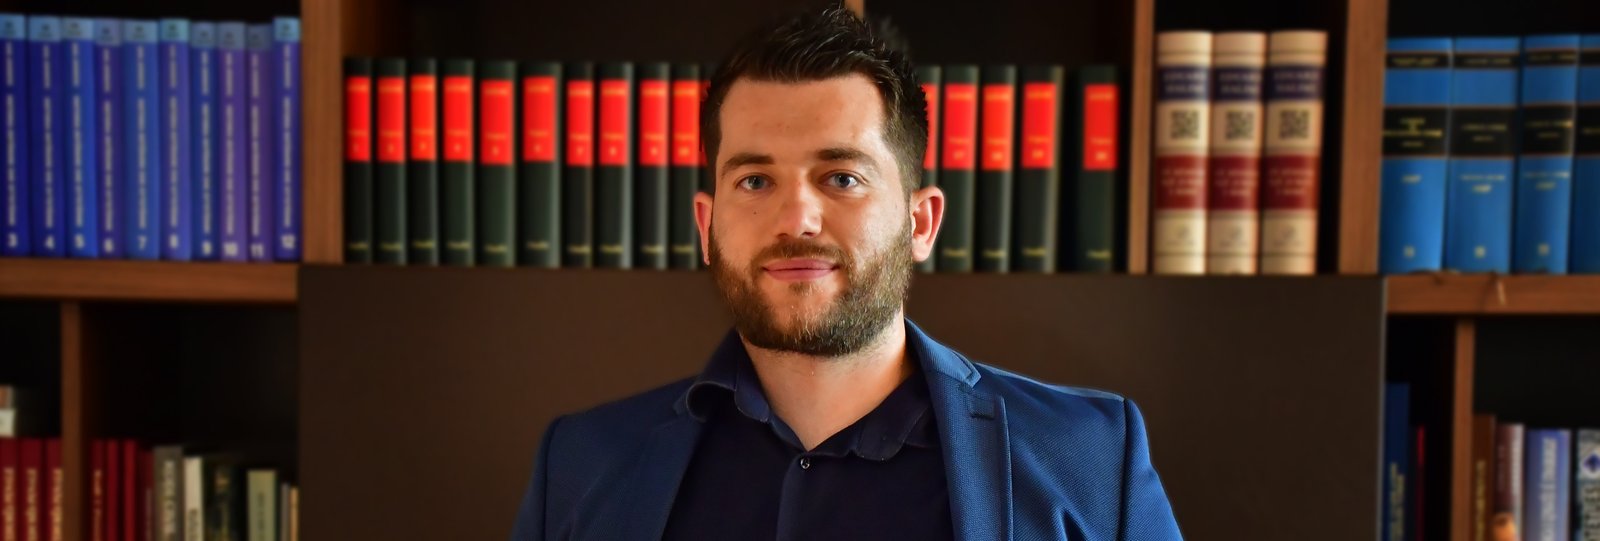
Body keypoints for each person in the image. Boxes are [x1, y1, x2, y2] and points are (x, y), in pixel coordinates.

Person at [511, 5, 1181, 540]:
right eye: (755, 180)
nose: (796, 218)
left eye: (841, 177)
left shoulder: (1091, 458)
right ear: (706, 225)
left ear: (921, 223)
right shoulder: (580, 464)